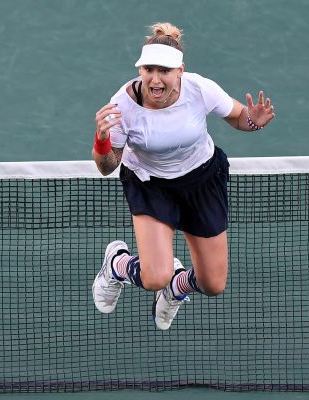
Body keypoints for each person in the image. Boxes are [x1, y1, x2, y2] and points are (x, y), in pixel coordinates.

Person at [91, 22, 275, 330]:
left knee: (213, 284)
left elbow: (238, 116)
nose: (155, 78)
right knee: (154, 277)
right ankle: (116, 265)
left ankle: (178, 287)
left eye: (165, 71)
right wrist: (101, 139)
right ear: (140, 70)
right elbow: (108, 166)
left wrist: (253, 121)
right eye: (149, 69)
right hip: (151, 185)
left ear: (180, 71)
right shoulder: (122, 107)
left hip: (202, 181)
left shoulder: (200, 89)